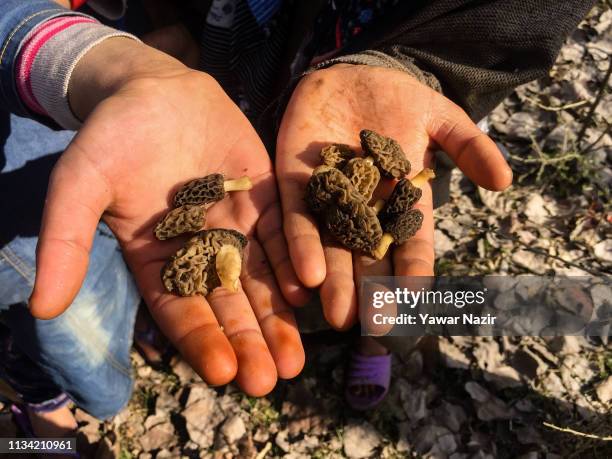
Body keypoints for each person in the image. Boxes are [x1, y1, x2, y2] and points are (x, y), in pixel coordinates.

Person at [0, 0, 594, 438]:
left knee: (382, 269)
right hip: (224, 95)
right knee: (289, 255)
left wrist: (421, 63)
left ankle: (376, 341)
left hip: (394, 112)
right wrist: (115, 46)